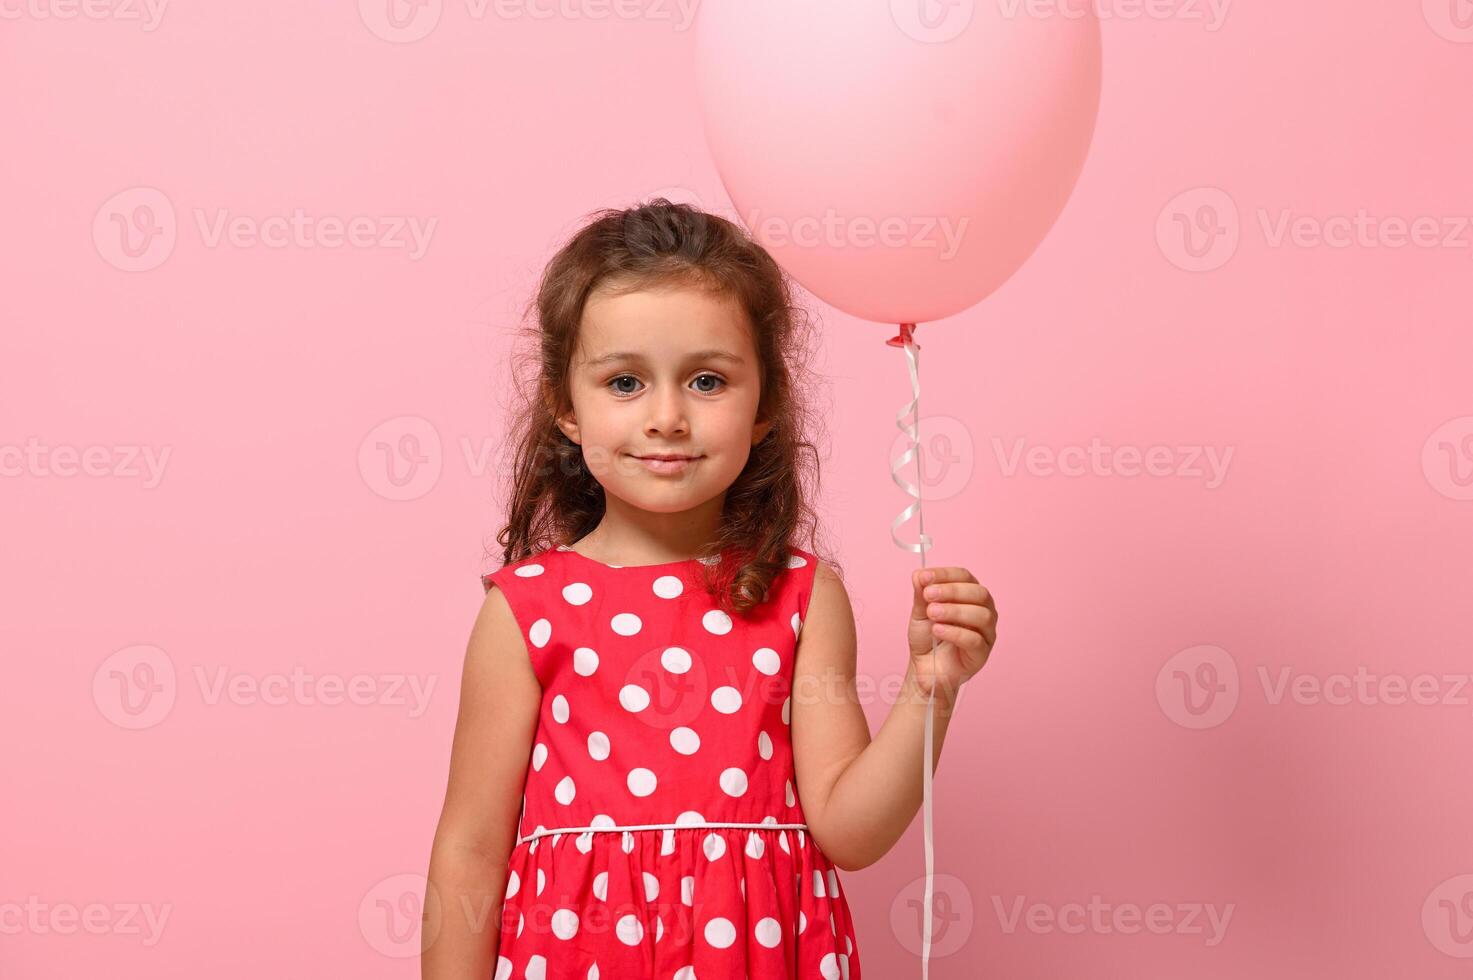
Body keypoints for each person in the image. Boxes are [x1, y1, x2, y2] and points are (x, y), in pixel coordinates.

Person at [423, 200, 998, 980]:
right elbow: (469, 850)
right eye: (624, 381)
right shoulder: (527, 610)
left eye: (705, 380)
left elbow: (851, 834)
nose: (667, 418)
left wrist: (931, 693)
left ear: (764, 404)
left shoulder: (801, 595)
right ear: (565, 405)